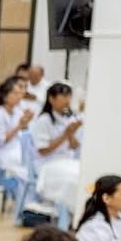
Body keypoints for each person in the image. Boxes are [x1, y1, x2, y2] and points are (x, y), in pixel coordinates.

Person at [29, 83, 84, 213]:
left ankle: (75, 211)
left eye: (69, 96)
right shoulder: (44, 120)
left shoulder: (69, 118)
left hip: (66, 161)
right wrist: (65, 134)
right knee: (72, 178)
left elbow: (74, 146)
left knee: (81, 173)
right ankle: (65, 212)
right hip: (47, 164)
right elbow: (43, 150)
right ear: (51, 99)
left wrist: (71, 133)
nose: (67, 100)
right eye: (63, 96)